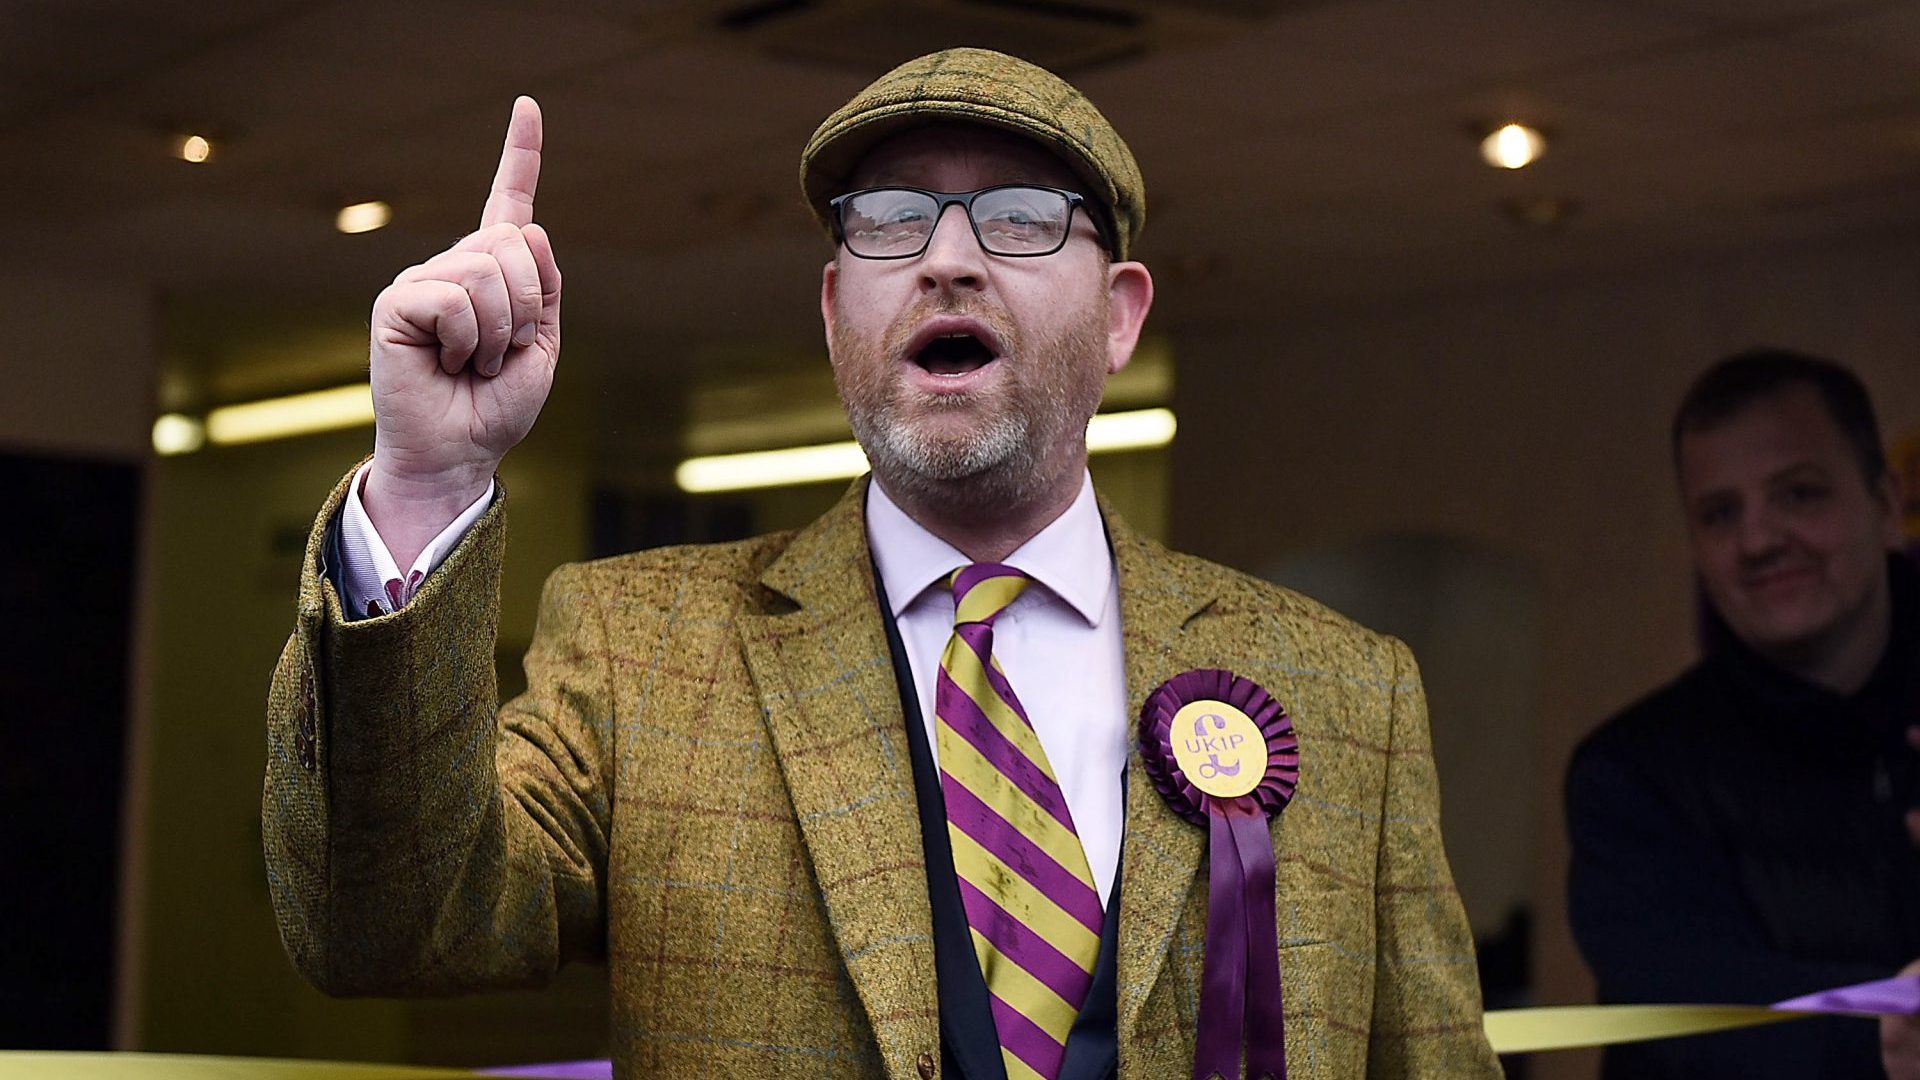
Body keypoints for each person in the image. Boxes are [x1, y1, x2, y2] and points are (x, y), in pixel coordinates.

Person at [263, 48, 1499, 1079]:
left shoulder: (1346, 695)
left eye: (1018, 219)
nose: (944, 259)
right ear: (833, 310)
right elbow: (389, 926)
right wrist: (427, 484)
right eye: (891, 221)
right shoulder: (640, 648)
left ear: (1120, 314)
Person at [1565, 348, 1920, 1079]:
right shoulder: (1633, 775)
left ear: (1886, 505)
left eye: (1799, 493)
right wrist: (1885, 1032)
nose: (1758, 541)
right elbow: (1688, 1023)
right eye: (1721, 513)